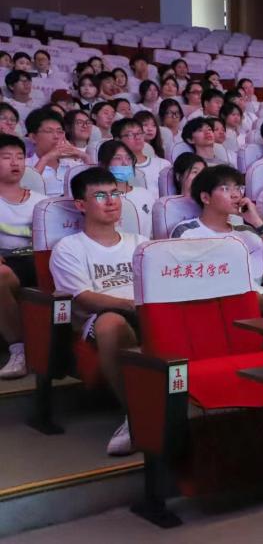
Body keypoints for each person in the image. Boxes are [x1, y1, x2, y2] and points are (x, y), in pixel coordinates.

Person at [49, 168, 146, 455]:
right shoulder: (69, 248)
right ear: (81, 205)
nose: (111, 201)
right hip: (100, 320)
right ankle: (137, 418)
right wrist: (130, 305)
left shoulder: (140, 242)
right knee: (110, 323)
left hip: (146, 312)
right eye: (100, 196)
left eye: (115, 194)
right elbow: (84, 298)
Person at [171, 165, 263, 285]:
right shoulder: (186, 232)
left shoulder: (248, 232)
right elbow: (186, 281)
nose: (236, 195)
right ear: (205, 198)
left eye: (238, 188)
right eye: (225, 189)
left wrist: (257, 222)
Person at [0, 135, 47, 379]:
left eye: (19, 157)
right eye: (6, 157)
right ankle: (19, 349)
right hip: (7, 263)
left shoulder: (42, 202)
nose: (14, 162)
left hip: (39, 261)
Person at [96, 140, 156, 239]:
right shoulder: (101, 198)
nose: (125, 163)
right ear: (103, 165)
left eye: (128, 158)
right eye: (118, 158)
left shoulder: (146, 195)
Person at [25, 108, 89, 196]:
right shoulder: (24, 165)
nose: (56, 136)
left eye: (59, 131)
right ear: (33, 137)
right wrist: (45, 159)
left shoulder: (72, 165)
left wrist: (84, 156)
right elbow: (25, 192)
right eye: (49, 131)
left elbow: (95, 187)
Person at [111, 117, 169, 194]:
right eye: (130, 134)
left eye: (139, 133)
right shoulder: (118, 168)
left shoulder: (163, 164)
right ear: (118, 140)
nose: (137, 137)